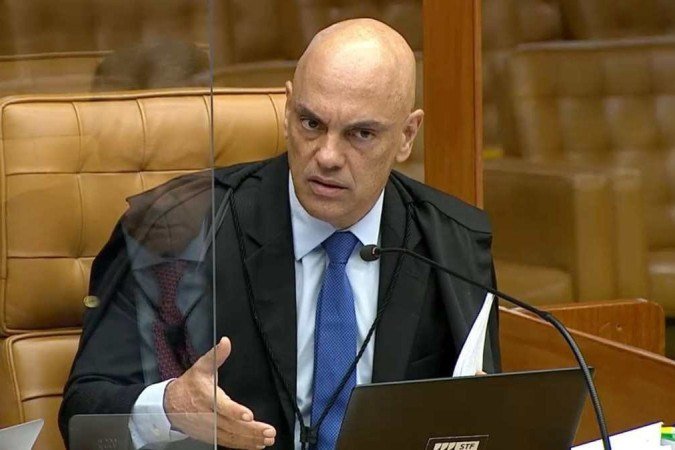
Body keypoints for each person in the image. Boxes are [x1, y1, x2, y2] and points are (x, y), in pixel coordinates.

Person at [59, 18, 500, 450]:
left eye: (361, 134)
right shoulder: (178, 232)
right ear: (288, 110)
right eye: (311, 124)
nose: (327, 156)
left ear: (407, 135)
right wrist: (170, 408)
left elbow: (482, 413)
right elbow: (84, 418)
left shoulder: (450, 244)